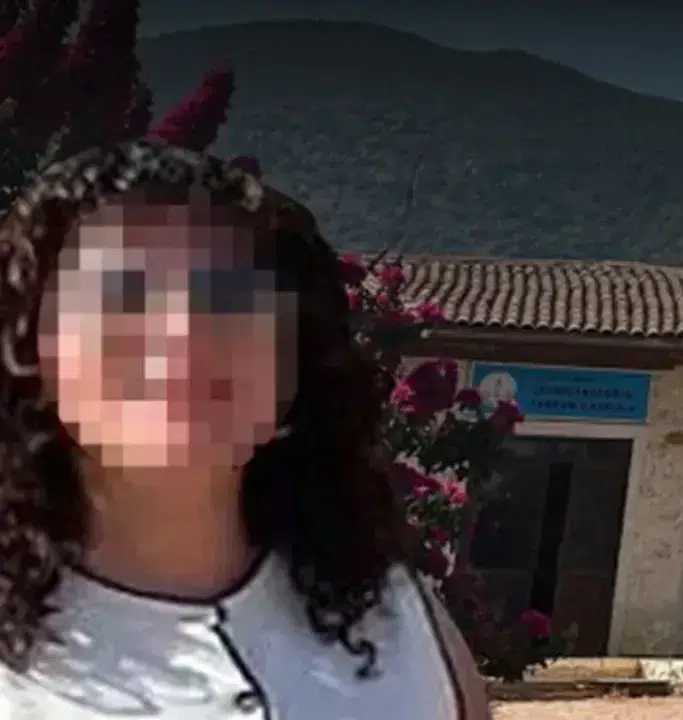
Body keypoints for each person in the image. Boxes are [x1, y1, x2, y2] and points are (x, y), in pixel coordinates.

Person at [0, 139, 491, 718]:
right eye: (124, 294)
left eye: (228, 296)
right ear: (30, 352)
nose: (182, 333)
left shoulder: (403, 622)